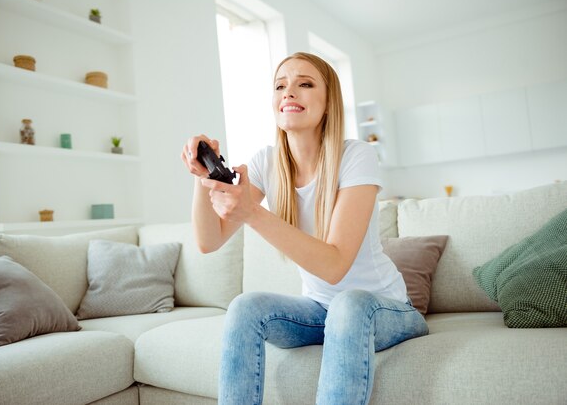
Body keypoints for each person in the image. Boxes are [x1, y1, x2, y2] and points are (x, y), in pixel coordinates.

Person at [181, 52, 428, 405]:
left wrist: (253, 214)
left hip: (384, 309)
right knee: (245, 307)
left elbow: (334, 265)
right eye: (280, 85)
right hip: (319, 311)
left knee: (349, 305)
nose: (289, 92)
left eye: (305, 84)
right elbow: (209, 241)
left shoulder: (356, 156)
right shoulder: (266, 162)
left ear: (328, 103)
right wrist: (201, 178)